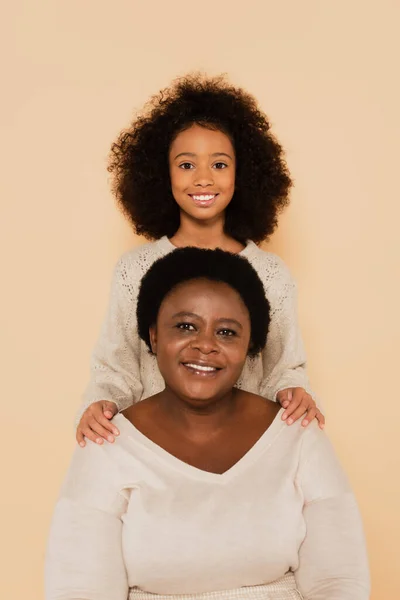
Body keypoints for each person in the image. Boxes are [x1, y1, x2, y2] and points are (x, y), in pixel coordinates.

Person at [46, 248, 370, 600]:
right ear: (154, 336)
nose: (205, 345)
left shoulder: (298, 434)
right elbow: (78, 589)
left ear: (250, 346)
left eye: (227, 332)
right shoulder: (106, 444)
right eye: (185, 326)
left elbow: (338, 582)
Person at [76, 74, 324, 448]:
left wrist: (293, 392)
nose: (204, 179)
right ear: (163, 173)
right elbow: (117, 367)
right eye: (187, 165)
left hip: (242, 453)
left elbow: (283, 369)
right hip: (156, 455)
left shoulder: (271, 274)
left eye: (220, 165)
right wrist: (102, 402)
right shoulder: (134, 270)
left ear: (243, 174)